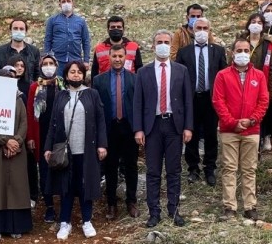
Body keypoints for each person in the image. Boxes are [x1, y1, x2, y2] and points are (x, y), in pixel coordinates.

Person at [134, 30, 193, 228]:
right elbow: (138, 103)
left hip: (174, 125)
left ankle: (174, 210)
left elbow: (187, 102)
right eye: (159, 41)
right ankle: (154, 212)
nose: (163, 45)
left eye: (166, 42)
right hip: (153, 126)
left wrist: (188, 127)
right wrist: (139, 129)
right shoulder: (143, 72)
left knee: (174, 170)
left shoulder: (181, 70)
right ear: (153, 46)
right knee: (153, 171)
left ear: (171, 45)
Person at [44, 61, 107, 240]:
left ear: (83, 75)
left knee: (84, 185)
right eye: (72, 72)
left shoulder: (92, 94)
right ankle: (65, 222)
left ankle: (87, 220)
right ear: (66, 75)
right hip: (66, 150)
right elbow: (53, 124)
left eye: (79, 72)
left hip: (86, 150)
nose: (76, 75)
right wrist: (48, 147)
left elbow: (101, 121)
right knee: (66, 187)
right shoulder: (61, 96)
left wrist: (102, 144)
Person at [213, 37, 269, 220]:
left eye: (246, 50)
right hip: (229, 130)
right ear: (232, 53)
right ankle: (230, 207)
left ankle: (250, 206)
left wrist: (252, 120)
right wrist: (232, 122)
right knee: (229, 168)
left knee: (249, 169)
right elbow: (218, 101)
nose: (243, 54)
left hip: (252, 131)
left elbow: (263, 101)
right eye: (239, 50)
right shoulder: (222, 75)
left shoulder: (259, 76)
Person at [176, 17, 227, 186]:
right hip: (191, 99)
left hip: (211, 98)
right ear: (192, 30)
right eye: (199, 28)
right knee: (192, 133)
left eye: (205, 28)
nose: (202, 31)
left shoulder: (218, 51)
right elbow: (179, 77)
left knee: (211, 134)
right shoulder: (184, 52)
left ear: (210, 30)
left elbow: (223, 76)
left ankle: (210, 168)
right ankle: (193, 168)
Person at [93, 44, 140, 220]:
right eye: (114, 56)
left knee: (131, 166)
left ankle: (131, 201)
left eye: (121, 56)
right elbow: (97, 109)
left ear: (126, 57)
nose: (118, 59)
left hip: (129, 128)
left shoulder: (135, 79)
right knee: (110, 167)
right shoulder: (99, 80)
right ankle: (111, 204)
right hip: (109, 128)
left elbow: (139, 105)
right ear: (109, 57)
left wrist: (139, 130)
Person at [0, 66, 33, 242]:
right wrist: (5, 141)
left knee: (17, 186)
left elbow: (24, 122)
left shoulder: (18, 99)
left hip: (17, 150)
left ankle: (16, 226)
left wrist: (16, 141)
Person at [27, 53, 65, 224]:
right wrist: (30, 137)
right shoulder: (35, 87)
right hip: (41, 134)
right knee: (44, 170)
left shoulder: (63, 84)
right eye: (45, 63)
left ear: (56, 66)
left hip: (61, 134)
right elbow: (29, 113)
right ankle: (49, 206)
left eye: (51, 63)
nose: (48, 66)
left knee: (63, 167)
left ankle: (64, 204)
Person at [244, 13, 272, 152]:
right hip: (244, 84)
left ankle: (264, 138)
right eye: (253, 21)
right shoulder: (241, 41)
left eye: (259, 22)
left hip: (262, 84)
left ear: (263, 26)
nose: (256, 24)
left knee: (263, 112)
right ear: (248, 24)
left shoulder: (269, 44)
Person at [7, 53, 39, 208]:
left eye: (22, 66)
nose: (19, 68)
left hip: (24, 130)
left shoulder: (29, 86)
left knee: (29, 164)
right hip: (7, 132)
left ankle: (32, 194)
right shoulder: (3, 84)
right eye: (16, 65)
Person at [44, 0, 91, 75]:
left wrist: (86, 60)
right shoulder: (52, 20)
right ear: (60, 4)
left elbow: (86, 41)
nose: (66, 3)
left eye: (68, 1)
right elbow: (48, 39)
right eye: (63, 1)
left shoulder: (81, 21)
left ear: (73, 3)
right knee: (58, 84)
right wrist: (47, 57)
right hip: (58, 61)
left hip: (75, 60)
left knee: (74, 84)